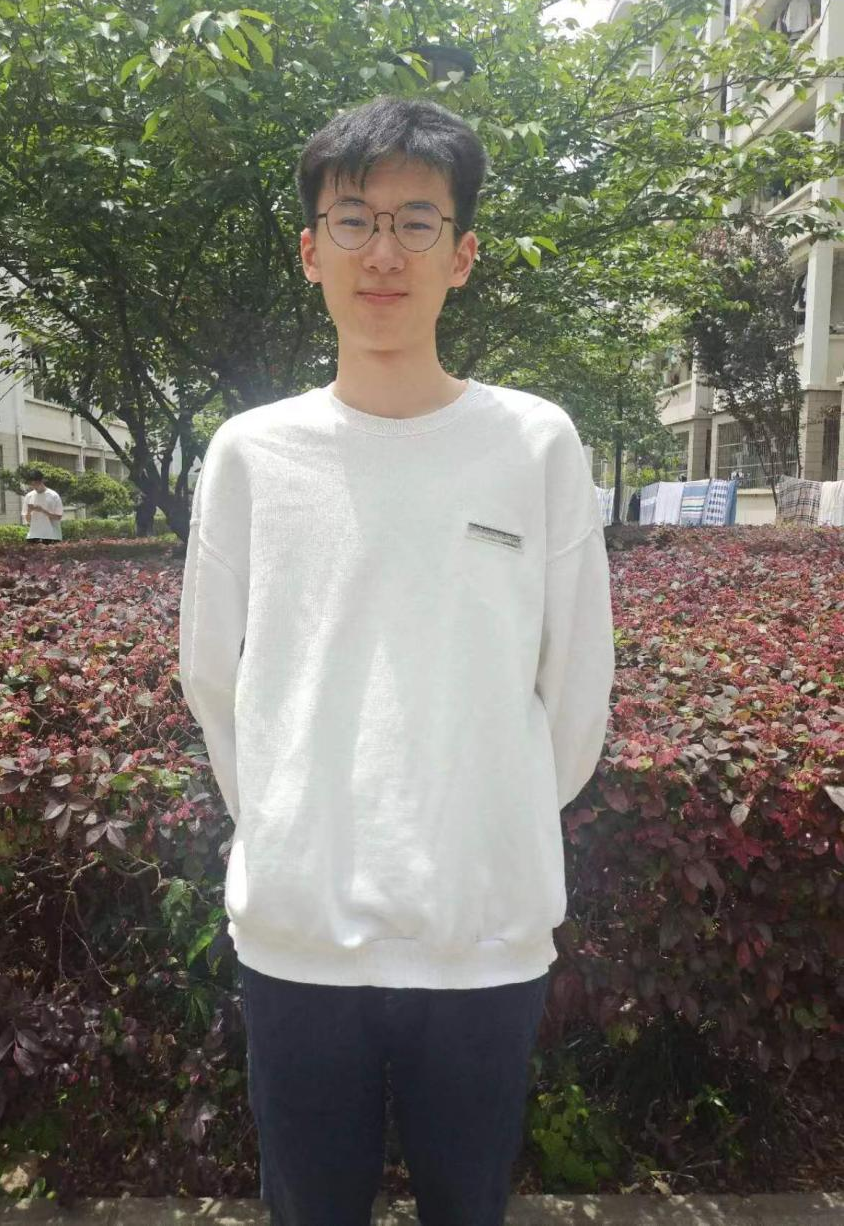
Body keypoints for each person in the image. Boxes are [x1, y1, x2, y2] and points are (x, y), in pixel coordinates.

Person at [179, 96, 615, 1226]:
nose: (383, 252)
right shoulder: (250, 453)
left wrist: (489, 821)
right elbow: (213, 679)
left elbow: (576, 688)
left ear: (461, 254)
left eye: (417, 221)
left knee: (468, 1206)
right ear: (309, 250)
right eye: (354, 219)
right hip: (298, 935)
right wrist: (291, 824)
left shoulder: (535, 444)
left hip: (482, 933)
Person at [22, 472, 63, 543]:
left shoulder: (53, 495)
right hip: (33, 536)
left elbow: (58, 517)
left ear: (42, 481)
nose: (34, 487)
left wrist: (42, 510)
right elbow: (28, 520)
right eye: (32, 484)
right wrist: (29, 511)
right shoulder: (29, 496)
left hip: (51, 536)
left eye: (36, 484)